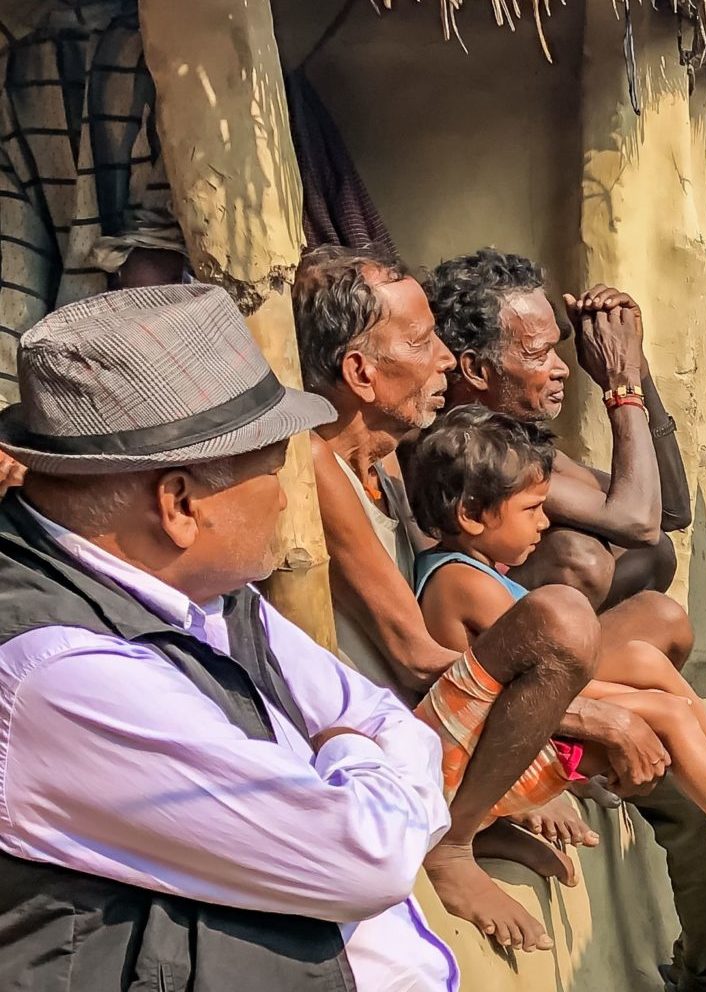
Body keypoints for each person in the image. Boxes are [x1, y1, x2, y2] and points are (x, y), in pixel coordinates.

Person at [0, 286, 453, 991]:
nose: (285, 495)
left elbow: (403, 730)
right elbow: (372, 857)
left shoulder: (204, 593)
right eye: (272, 467)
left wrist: (352, 760)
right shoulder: (59, 672)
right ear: (180, 504)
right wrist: (349, 750)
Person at [298, 245, 606, 953]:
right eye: (421, 341)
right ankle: (452, 842)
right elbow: (410, 658)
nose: (445, 359)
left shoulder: (388, 463)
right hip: (374, 742)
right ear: (359, 372)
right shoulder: (317, 463)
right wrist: (595, 718)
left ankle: (481, 817)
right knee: (559, 619)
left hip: (424, 726)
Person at [404, 404, 706, 877]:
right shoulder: (464, 583)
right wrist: (630, 704)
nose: (544, 523)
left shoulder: (477, 570)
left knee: (642, 659)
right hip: (494, 755)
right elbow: (530, 690)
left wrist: (630, 693)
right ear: (471, 514)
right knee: (666, 709)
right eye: (531, 509)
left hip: (518, 726)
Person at [423, 249, 691, 610]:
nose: (561, 368)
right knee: (580, 556)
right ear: (476, 370)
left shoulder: (512, 436)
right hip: (483, 632)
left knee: (655, 554)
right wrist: (620, 383)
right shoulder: (464, 448)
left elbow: (670, 515)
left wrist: (635, 365)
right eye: (539, 354)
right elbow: (637, 520)